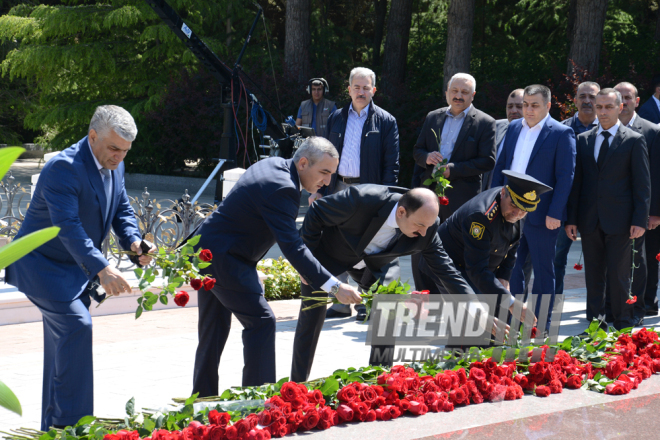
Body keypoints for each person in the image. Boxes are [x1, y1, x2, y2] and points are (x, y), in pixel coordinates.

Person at [5, 105, 154, 431]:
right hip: (42, 266)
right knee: (76, 326)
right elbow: (67, 226)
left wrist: (134, 243)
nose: (119, 157)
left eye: (125, 151)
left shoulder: (117, 163)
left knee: (63, 348)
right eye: (114, 148)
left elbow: (122, 209)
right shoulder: (63, 167)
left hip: (75, 270)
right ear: (92, 136)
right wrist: (102, 268)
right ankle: (73, 430)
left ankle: (53, 431)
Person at [191, 137, 361, 396]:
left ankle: (202, 397)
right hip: (225, 259)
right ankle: (257, 403)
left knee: (213, 328)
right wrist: (334, 285)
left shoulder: (273, 164)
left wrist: (308, 271)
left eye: (331, 174)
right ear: (303, 162)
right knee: (261, 321)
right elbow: (292, 246)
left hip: (207, 250)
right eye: (324, 172)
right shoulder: (283, 187)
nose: (327, 182)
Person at [291, 186, 479, 383]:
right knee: (312, 316)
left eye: (428, 226)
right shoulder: (362, 199)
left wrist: (475, 307)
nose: (424, 233)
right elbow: (317, 210)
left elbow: (446, 270)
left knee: (389, 307)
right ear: (401, 212)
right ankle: (297, 385)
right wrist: (307, 262)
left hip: (378, 263)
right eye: (420, 225)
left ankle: (380, 380)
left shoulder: (427, 227)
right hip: (330, 254)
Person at [312, 67, 400, 320]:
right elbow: (323, 156)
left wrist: (386, 198)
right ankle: (340, 302)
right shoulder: (336, 117)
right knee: (334, 241)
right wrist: (320, 188)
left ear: (374, 90)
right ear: (348, 89)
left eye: (366, 88)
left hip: (369, 192)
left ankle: (366, 301)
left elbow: (391, 164)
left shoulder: (386, 121)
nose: (361, 92)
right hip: (338, 187)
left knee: (369, 244)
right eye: (357, 87)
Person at [491, 85, 576, 328]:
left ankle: (542, 323)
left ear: (548, 106)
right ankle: (515, 320)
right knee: (512, 268)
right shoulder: (514, 127)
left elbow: (565, 177)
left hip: (543, 214)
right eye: (526, 104)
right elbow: (502, 166)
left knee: (542, 270)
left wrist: (555, 212)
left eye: (534, 105)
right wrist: (494, 198)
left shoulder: (561, 133)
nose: (528, 109)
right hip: (509, 211)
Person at [566, 88, 650, 330]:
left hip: (622, 221)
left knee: (619, 275)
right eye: (599, 107)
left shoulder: (634, 140)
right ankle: (595, 324)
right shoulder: (583, 140)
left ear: (620, 108)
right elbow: (577, 184)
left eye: (608, 107)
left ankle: (623, 323)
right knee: (593, 276)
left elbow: (642, 185)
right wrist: (571, 219)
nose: (602, 112)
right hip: (590, 220)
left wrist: (640, 219)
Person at [411, 72, 496, 293]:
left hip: (461, 198)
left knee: (452, 248)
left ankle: (454, 300)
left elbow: (488, 161)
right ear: (447, 92)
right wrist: (426, 157)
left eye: (464, 92)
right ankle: (424, 296)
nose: (459, 96)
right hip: (428, 194)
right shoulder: (433, 117)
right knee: (420, 243)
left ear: (473, 95)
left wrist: (454, 170)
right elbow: (417, 150)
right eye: (455, 91)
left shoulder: (485, 123)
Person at [614, 81, 660, 323]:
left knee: (642, 261)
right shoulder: (605, 128)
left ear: (637, 101)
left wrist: (654, 213)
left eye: (627, 98)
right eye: (618, 97)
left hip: (643, 210)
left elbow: (656, 175)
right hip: (613, 209)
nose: (623, 102)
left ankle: (643, 306)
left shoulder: (652, 131)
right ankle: (616, 306)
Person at [553, 81, 600, 297]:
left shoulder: (608, 130)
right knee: (556, 257)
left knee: (599, 259)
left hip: (597, 206)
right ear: (575, 100)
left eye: (592, 97)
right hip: (563, 205)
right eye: (582, 96)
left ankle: (599, 308)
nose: (587, 101)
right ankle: (552, 304)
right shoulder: (560, 130)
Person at [483, 89, 524, 191]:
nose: (513, 111)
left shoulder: (535, 135)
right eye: (510, 106)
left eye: (519, 107)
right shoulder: (495, 127)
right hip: (489, 194)